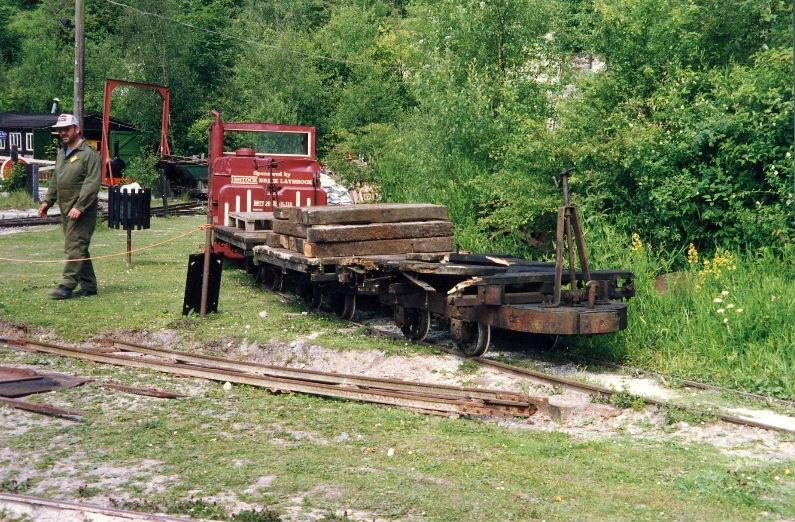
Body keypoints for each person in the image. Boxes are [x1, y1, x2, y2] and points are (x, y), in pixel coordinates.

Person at [38, 113, 101, 299]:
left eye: (66, 129)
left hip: (82, 211)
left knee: (75, 246)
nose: (62, 133)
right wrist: (47, 202)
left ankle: (66, 285)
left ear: (77, 129)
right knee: (78, 247)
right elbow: (56, 180)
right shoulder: (61, 154)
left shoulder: (89, 155)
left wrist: (80, 207)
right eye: (60, 130)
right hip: (66, 210)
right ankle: (89, 287)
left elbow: (92, 184)